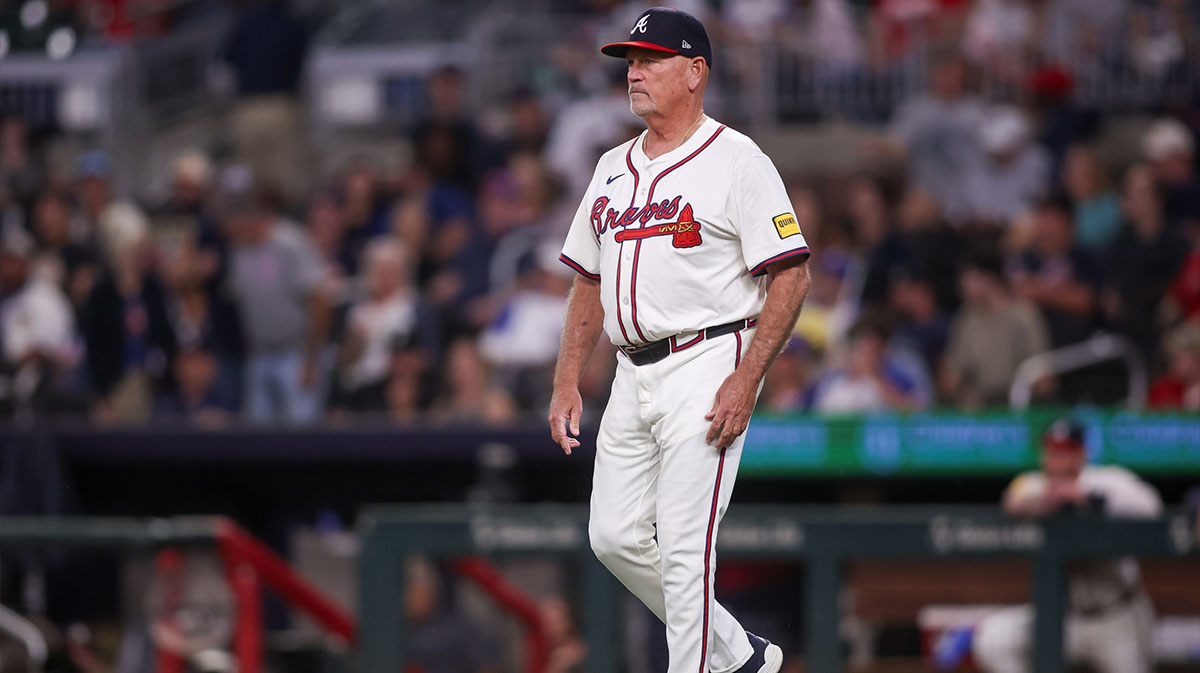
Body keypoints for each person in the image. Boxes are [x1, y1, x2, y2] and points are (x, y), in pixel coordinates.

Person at [548, 8, 811, 672]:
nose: (633, 72)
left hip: (707, 357)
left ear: (695, 72)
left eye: (649, 59)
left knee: (687, 545)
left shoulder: (737, 158)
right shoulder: (611, 165)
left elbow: (792, 274)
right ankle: (738, 655)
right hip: (631, 374)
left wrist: (747, 376)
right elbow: (587, 279)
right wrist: (566, 376)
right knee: (612, 537)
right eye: (630, 61)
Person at [972, 417, 1162, 673]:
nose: (1056, 457)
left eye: (1065, 450)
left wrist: (1088, 497)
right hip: (1064, 617)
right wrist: (1046, 502)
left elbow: (1151, 507)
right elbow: (1012, 501)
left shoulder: (1107, 480)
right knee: (994, 640)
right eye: (1051, 449)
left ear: (1081, 453)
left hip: (1116, 615)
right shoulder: (1034, 484)